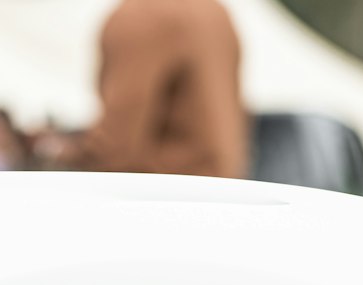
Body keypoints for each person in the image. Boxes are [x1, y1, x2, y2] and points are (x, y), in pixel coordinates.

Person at [39, 0, 247, 179]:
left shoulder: (141, 16)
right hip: (219, 197)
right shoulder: (216, 12)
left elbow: (115, 149)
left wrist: (56, 151)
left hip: (163, 203)